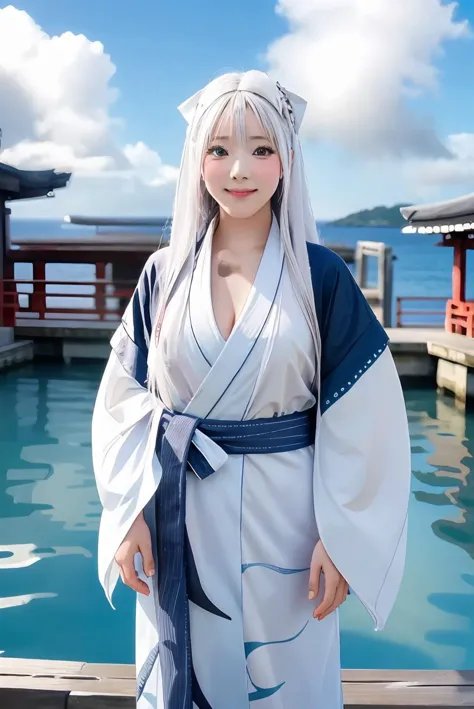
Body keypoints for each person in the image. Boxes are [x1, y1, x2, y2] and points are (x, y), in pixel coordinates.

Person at [91, 70, 411, 709]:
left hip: (286, 518)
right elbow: (122, 399)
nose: (240, 168)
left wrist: (343, 537)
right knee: (187, 671)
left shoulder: (319, 275)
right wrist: (128, 512)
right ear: (196, 161)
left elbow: (366, 412)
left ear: (288, 159)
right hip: (178, 509)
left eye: (262, 148)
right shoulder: (163, 274)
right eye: (219, 150)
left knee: (284, 676)